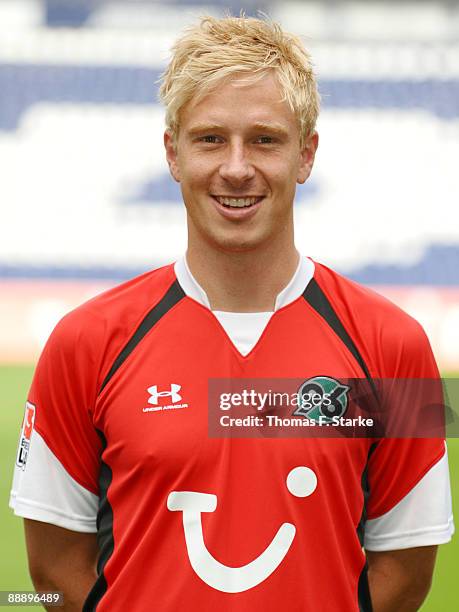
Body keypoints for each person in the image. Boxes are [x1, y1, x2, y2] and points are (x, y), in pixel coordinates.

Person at [10, 15, 454, 612]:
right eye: (211, 138)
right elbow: (51, 570)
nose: (237, 167)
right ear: (173, 153)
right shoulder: (85, 342)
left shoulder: (395, 345)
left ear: (306, 154)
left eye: (266, 139)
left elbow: (406, 569)